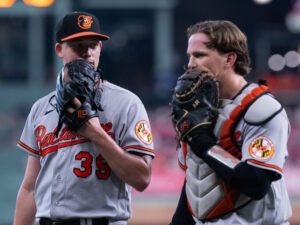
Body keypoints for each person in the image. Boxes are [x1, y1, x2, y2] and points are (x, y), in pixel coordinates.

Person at [14, 11, 155, 225]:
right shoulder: (40, 109)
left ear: (100, 48)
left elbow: (142, 179)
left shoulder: (126, 103)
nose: (87, 53)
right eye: (79, 46)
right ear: (60, 50)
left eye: (93, 45)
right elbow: (29, 188)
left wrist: (96, 133)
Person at [170, 20, 292, 225]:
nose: (190, 64)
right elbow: (196, 177)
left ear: (229, 59)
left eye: (199, 55)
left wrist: (204, 145)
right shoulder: (198, 107)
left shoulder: (262, 110)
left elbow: (256, 182)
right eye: (189, 55)